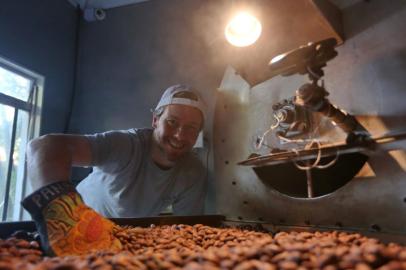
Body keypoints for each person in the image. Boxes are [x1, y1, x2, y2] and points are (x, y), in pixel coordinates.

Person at [22, 84, 207, 256]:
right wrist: (62, 218)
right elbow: (43, 146)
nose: (179, 135)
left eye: (191, 128)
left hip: (122, 241)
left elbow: (187, 230)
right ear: (155, 120)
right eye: (172, 122)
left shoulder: (193, 172)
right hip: (76, 233)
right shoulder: (125, 145)